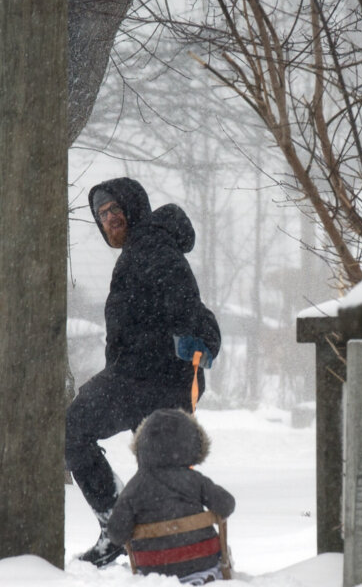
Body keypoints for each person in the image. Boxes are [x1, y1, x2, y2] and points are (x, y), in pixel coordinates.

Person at [69, 177, 221, 567]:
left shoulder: (152, 249)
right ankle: (147, 542)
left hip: (153, 380)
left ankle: (121, 527)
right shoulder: (142, 250)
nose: (108, 220)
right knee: (158, 471)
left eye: (114, 210)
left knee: (73, 428)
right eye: (101, 214)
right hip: (141, 377)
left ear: (133, 207)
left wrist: (190, 348)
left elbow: (190, 312)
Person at [108, 409, 235, 584]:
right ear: (192, 445)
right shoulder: (195, 481)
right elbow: (226, 505)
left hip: (153, 569)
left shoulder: (134, 487)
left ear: (142, 446)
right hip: (201, 560)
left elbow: (117, 533)